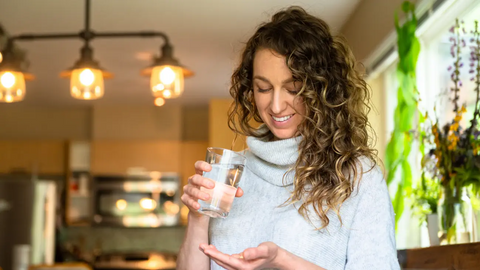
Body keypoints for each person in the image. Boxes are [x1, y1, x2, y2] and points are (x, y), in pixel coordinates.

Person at [177, 6, 400, 270]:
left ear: (322, 89)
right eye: (263, 88)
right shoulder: (232, 176)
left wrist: (282, 261)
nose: (276, 105)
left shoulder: (357, 177)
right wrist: (197, 217)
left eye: (293, 88)